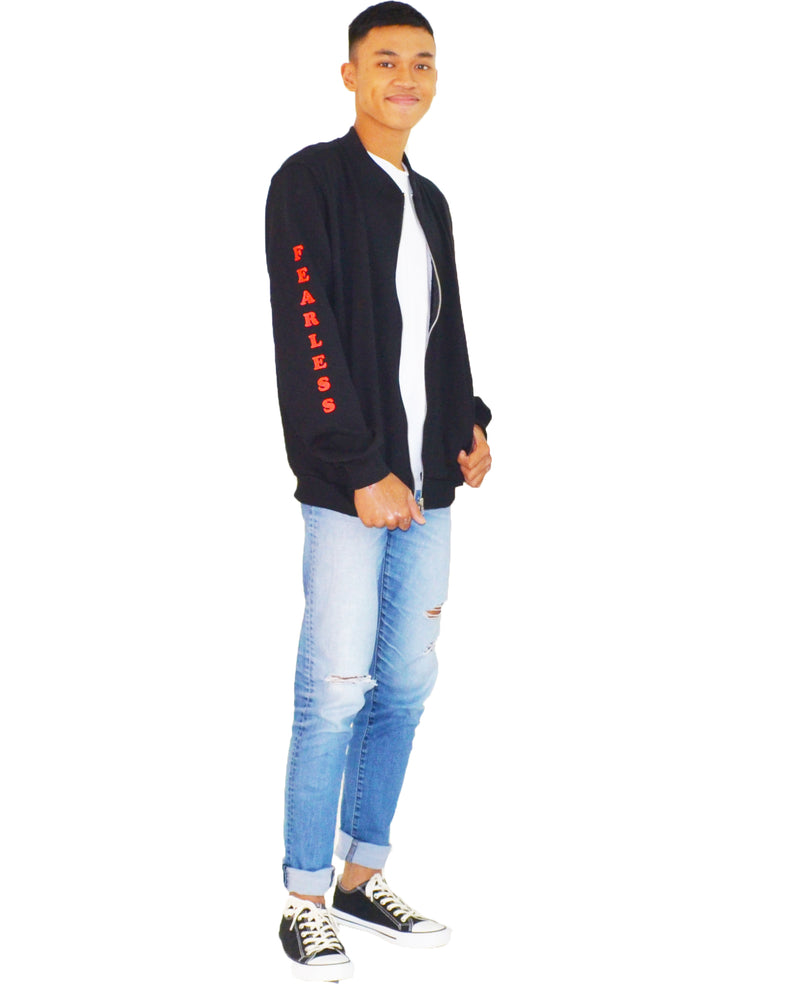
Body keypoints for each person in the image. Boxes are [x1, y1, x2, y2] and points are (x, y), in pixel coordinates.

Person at [265, 2, 492, 981]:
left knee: (404, 684)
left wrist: (469, 420)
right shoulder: (308, 182)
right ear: (350, 74)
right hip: (347, 485)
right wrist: (357, 464)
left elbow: (444, 328)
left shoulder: (428, 199)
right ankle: (304, 897)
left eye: (422, 63)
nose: (406, 77)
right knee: (334, 691)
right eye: (386, 60)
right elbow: (307, 329)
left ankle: (364, 877)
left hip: (427, 487)